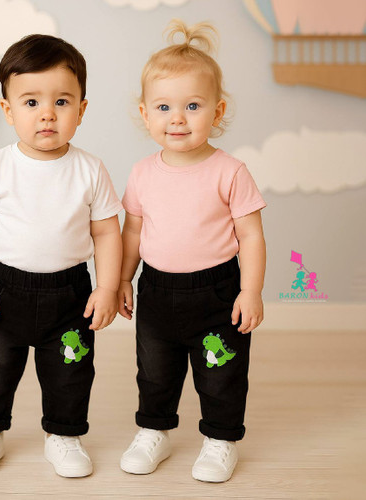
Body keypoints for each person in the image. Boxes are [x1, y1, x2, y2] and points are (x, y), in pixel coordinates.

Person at [0, 34, 122, 478]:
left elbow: (107, 231)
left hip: (69, 293)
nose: (47, 113)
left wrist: (107, 287)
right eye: (31, 102)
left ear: (81, 109)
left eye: (61, 102)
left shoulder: (90, 169)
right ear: (8, 110)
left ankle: (64, 435)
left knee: (70, 371)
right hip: (4, 290)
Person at [118, 19, 266, 483]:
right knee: (154, 371)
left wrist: (251, 291)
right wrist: (122, 278)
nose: (177, 118)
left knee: (221, 372)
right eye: (163, 107)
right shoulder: (142, 173)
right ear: (145, 114)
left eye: (192, 106)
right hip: (157, 291)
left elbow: (252, 236)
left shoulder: (230, 171)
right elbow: (132, 231)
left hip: (217, 292)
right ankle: (154, 430)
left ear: (217, 111)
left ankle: (221, 439)